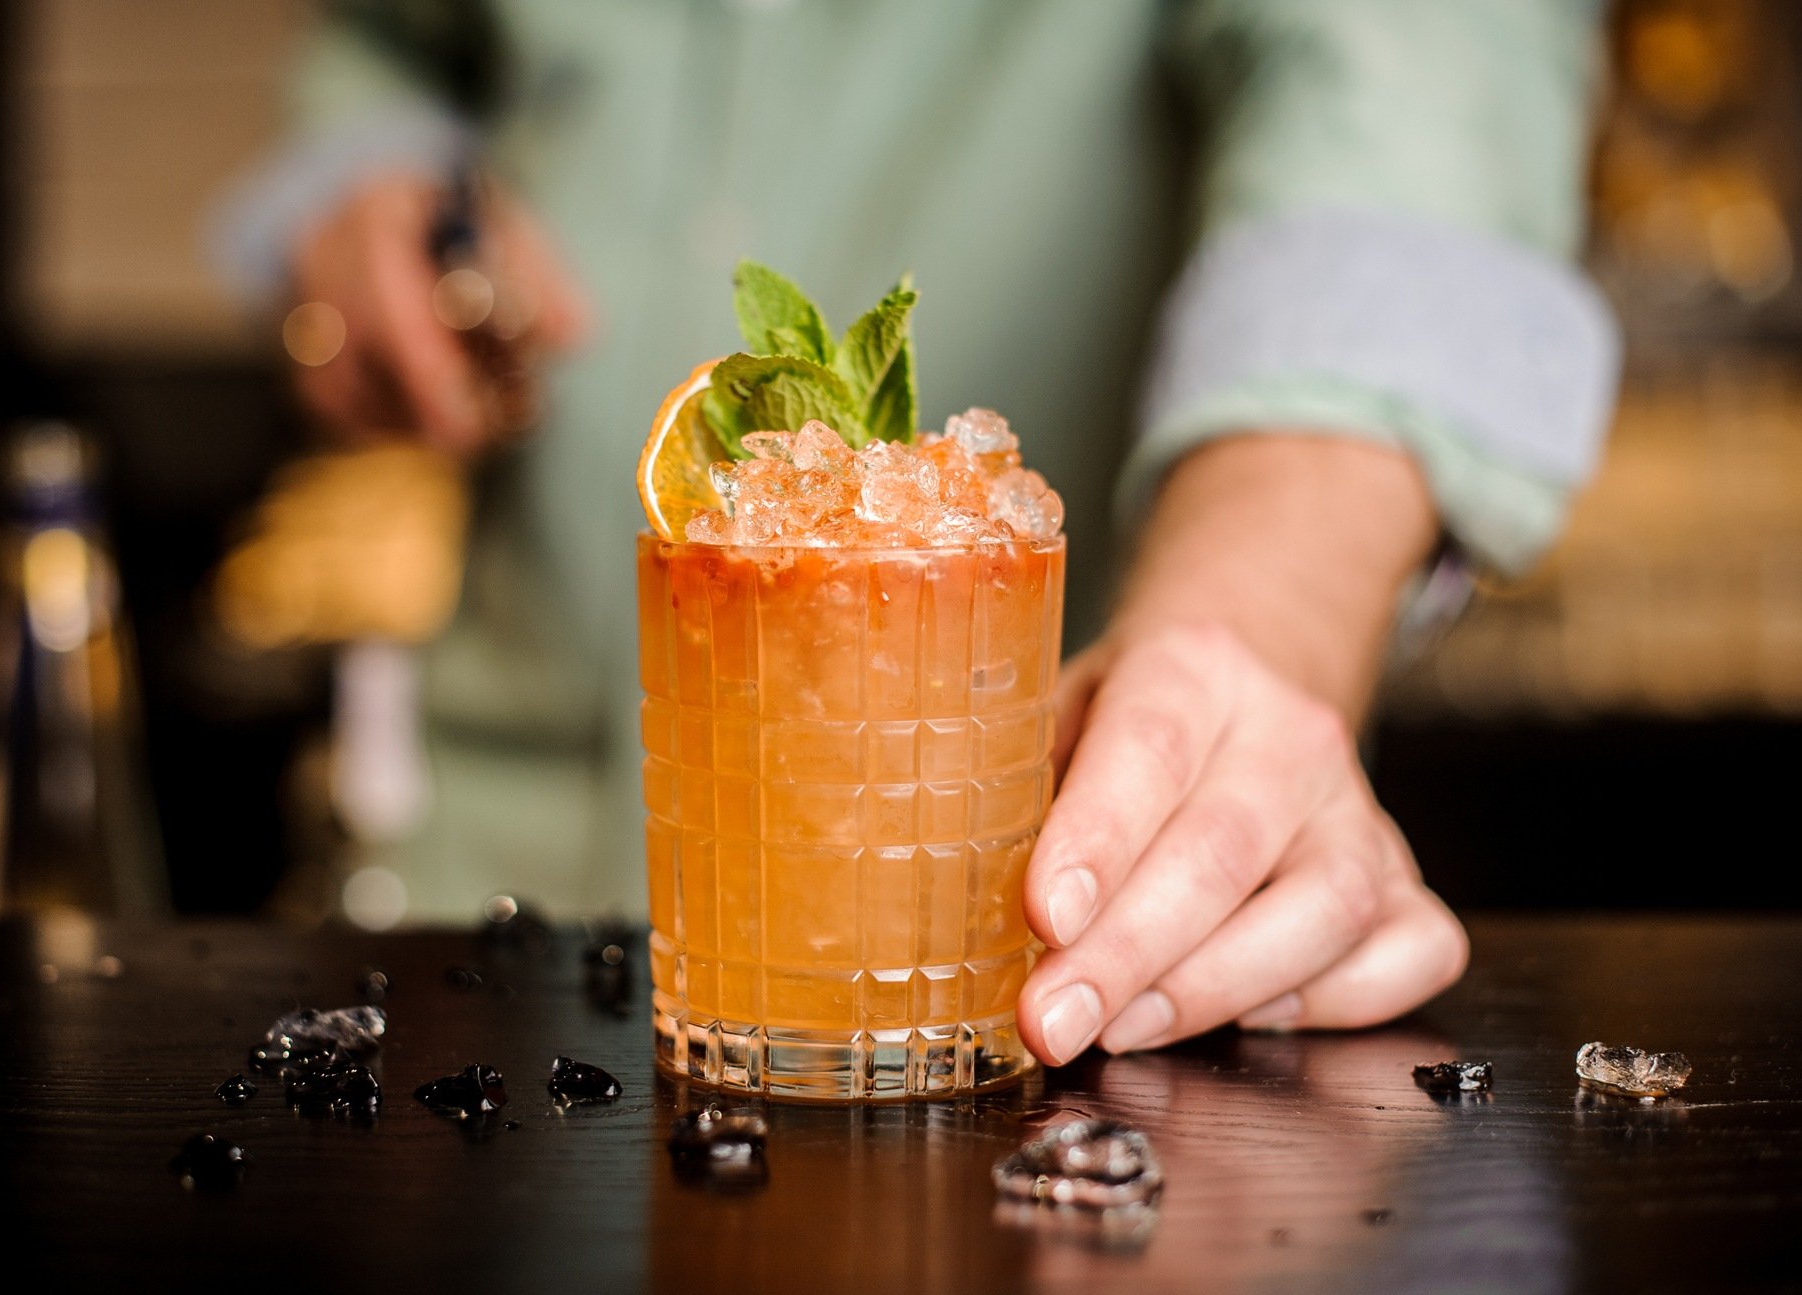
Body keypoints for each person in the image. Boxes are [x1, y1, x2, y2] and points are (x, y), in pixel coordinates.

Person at [217, 0, 1618, 1068]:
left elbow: (1411, 104)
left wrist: (1249, 637)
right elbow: (395, 43)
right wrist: (373, 189)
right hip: (469, 911)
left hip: (1025, 995)